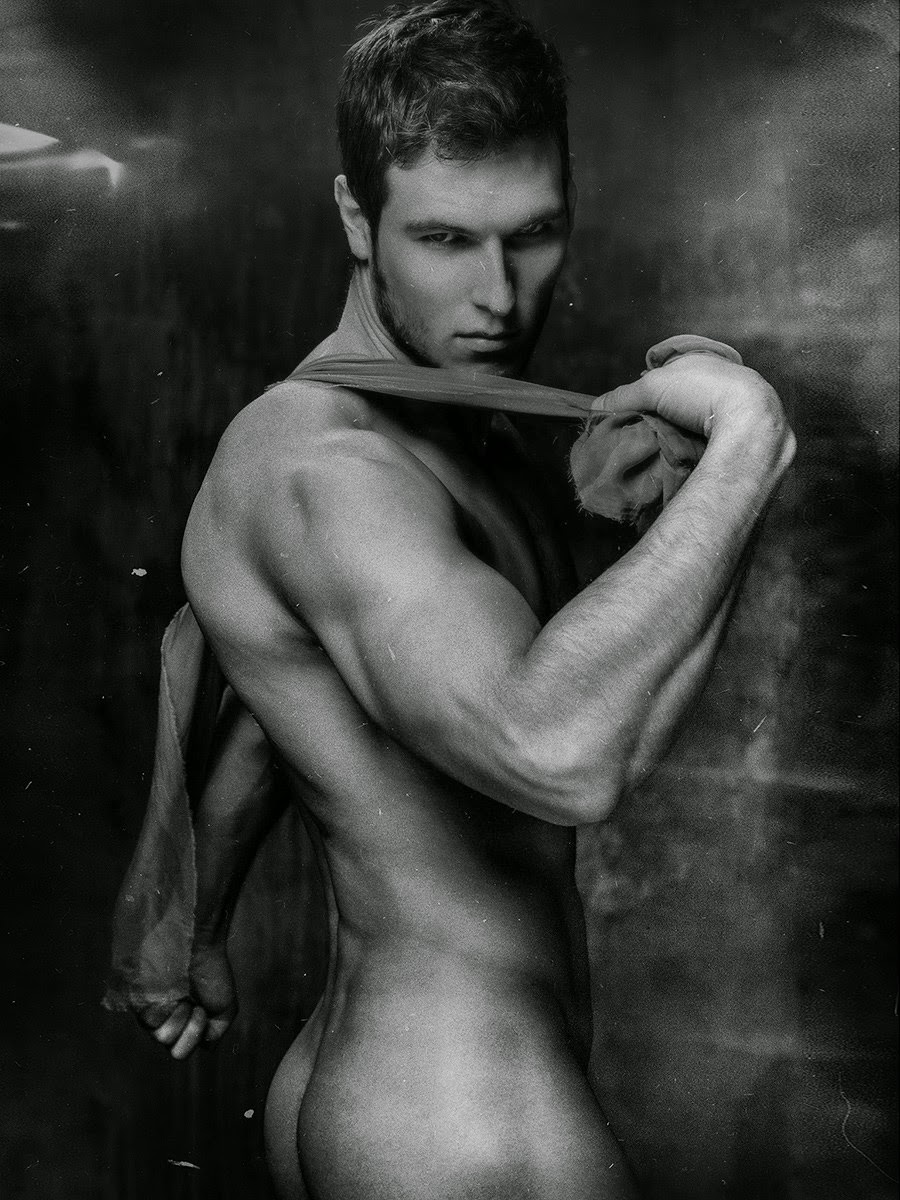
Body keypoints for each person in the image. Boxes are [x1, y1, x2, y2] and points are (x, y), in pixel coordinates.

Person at [116, 2, 795, 1196]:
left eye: (534, 235)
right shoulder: (328, 463)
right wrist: (747, 445)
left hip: (410, 1078)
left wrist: (196, 925)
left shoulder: (447, 426)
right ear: (356, 218)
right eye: (443, 239)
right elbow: (560, 756)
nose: (498, 296)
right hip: (455, 1120)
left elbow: (282, 722)